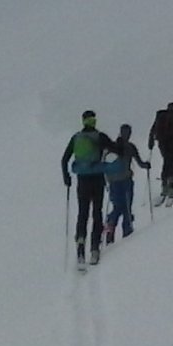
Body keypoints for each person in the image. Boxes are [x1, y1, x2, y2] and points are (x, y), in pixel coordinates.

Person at [60, 109, 118, 267]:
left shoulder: (76, 138)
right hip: (97, 178)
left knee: (82, 213)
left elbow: (64, 159)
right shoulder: (100, 137)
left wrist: (67, 178)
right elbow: (115, 149)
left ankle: (80, 248)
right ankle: (94, 249)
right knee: (97, 213)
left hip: (82, 180)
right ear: (94, 120)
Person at [102, 124, 150, 242]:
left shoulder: (111, 148)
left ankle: (111, 224)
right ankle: (127, 231)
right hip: (126, 181)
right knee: (126, 206)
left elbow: (104, 166)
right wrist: (146, 165)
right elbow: (139, 163)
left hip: (113, 182)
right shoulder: (130, 147)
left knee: (118, 206)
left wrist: (105, 181)